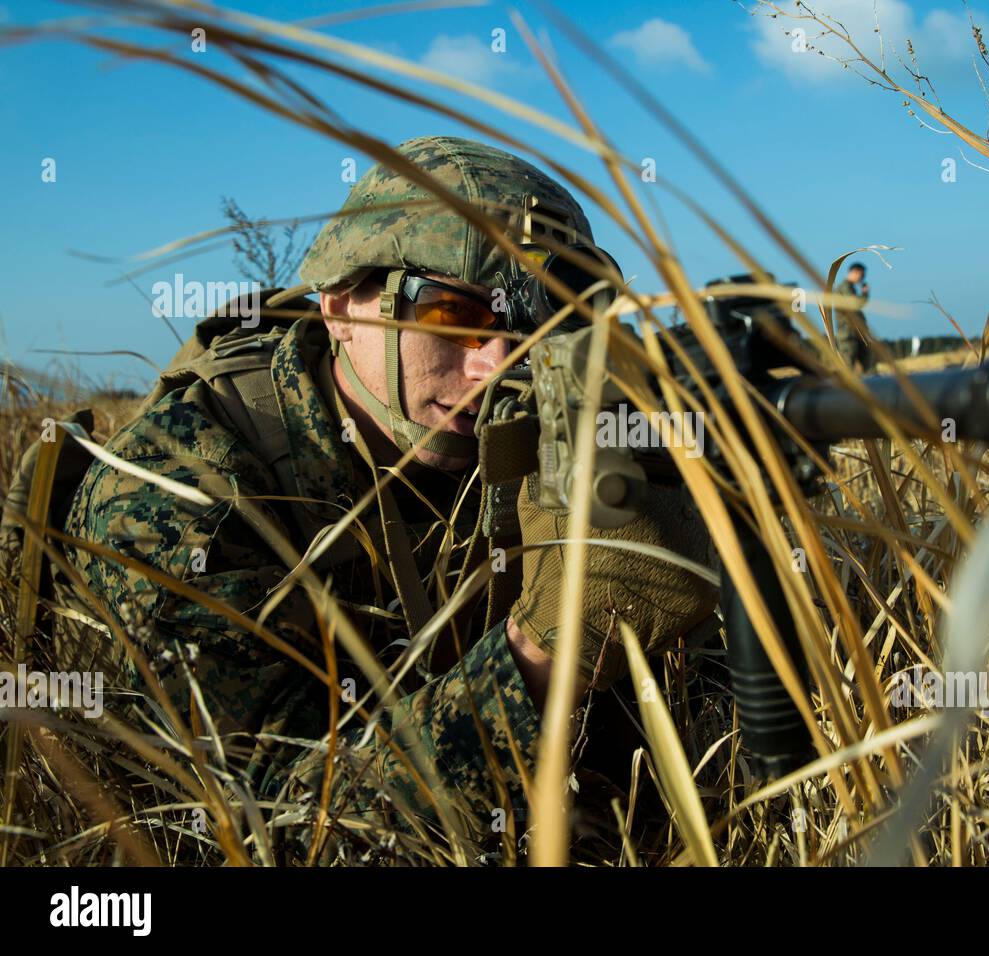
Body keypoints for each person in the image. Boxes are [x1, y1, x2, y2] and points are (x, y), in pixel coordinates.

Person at [19, 136, 716, 854]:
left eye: (538, 326)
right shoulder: (180, 492)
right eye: (451, 314)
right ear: (340, 308)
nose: (498, 361)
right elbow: (271, 831)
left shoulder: (535, 433)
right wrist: (546, 654)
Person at [833, 261, 872, 371]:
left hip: (855, 332)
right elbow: (855, 305)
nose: (862, 278)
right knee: (848, 367)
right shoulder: (845, 287)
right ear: (855, 272)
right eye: (862, 275)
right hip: (848, 334)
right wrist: (865, 294)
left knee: (867, 364)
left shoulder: (849, 288)